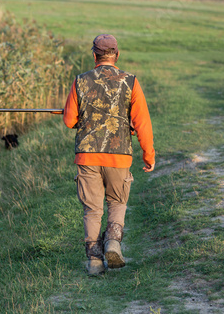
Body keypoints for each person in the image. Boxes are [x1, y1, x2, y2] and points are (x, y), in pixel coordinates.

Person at [63, 34, 155, 275]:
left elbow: (69, 120)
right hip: (119, 156)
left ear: (94, 55)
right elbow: (142, 122)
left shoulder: (80, 81)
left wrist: (79, 117)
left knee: (92, 209)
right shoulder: (131, 81)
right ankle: (113, 242)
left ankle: (94, 261)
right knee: (117, 202)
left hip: (87, 157)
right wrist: (149, 155)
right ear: (117, 55)